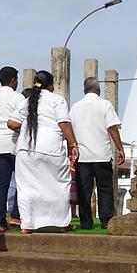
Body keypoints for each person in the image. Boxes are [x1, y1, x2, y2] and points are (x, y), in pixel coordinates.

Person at [8, 70, 80, 234]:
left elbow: (11, 123)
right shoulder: (57, 100)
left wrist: (28, 129)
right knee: (60, 185)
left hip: (25, 149)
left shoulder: (26, 101)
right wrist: (73, 144)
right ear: (50, 85)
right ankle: (62, 223)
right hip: (51, 147)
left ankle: (26, 225)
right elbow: (64, 123)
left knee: (26, 187)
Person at [70, 77, 126, 230]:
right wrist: (120, 147)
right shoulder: (105, 105)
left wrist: (71, 149)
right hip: (101, 154)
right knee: (104, 188)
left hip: (83, 155)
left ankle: (85, 222)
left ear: (84, 90)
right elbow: (112, 128)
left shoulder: (75, 107)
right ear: (98, 90)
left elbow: (70, 130)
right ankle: (106, 220)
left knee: (84, 191)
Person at [0, 66, 24, 233]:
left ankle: (0, 221)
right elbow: (24, 120)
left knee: (2, 184)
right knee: (22, 182)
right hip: (14, 144)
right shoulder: (17, 97)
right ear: (13, 80)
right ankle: (16, 215)